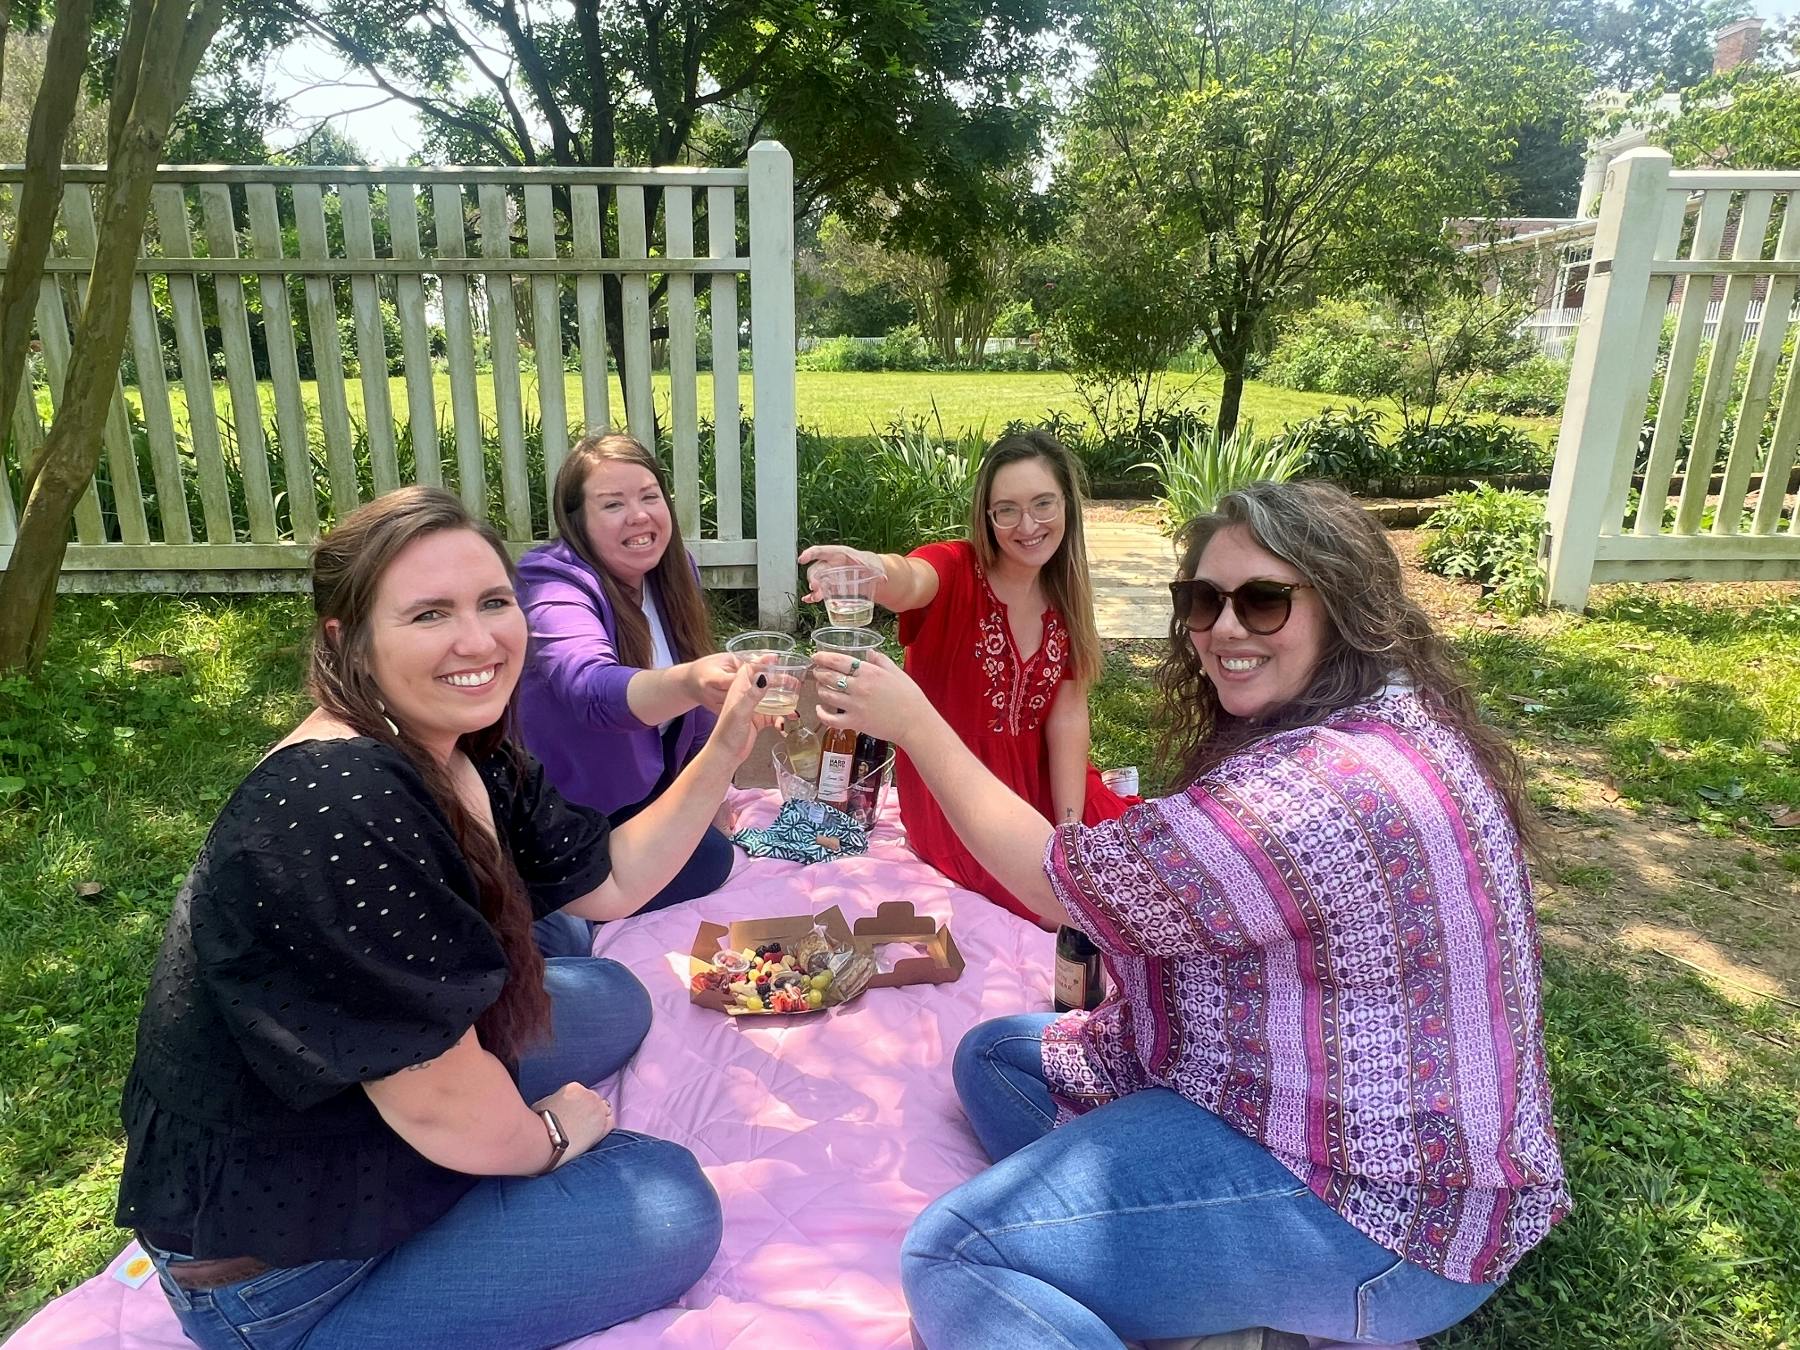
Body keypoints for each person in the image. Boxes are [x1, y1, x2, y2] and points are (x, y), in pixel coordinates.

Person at [810, 480, 1570, 1348]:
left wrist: (916, 722)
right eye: (1203, 601)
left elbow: (1060, 883)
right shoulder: (1388, 710)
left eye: (1264, 600)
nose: (1225, 629)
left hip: (1382, 1213)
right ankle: (1206, 1300)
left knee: (955, 1254)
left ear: (1344, 606)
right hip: (1300, 1102)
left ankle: (1256, 1299)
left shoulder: (1314, 794)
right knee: (998, 1059)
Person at [116, 487, 769, 1350]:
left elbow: (608, 882)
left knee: (613, 993)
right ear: (345, 641)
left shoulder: (461, 744)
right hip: (280, 1264)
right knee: (667, 1195)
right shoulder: (339, 806)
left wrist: (726, 743)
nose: (479, 641)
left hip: (374, 1098)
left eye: (494, 603)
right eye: (429, 614)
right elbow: (434, 1108)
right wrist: (546, 1138)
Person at [798, 429, 1128, 924]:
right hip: (954, 796)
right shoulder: (954, 569)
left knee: (1135, 879)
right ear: (987, 516)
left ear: (1067, 506)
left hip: (1045, 785)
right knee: (1052, 912)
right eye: (1007, 509)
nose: (1028, 524)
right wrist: (870, 569)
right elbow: (910, 578)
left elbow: (1068, 717)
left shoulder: (1067, 595)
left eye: (1043, 503)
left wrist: (1070, 838)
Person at [516, 433, 743, 952]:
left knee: (712, 854)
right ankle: (558, 908)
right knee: (567, 942)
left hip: (642, 798)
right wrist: (688, 682)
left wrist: (709, 792)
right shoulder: (550, 582)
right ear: (578, 521)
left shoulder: (673, 569)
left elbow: (696, 699)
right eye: (612, 504)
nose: (638, 517)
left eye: (648, 496)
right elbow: (591, 690)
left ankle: (581, 907)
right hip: (568, 811)